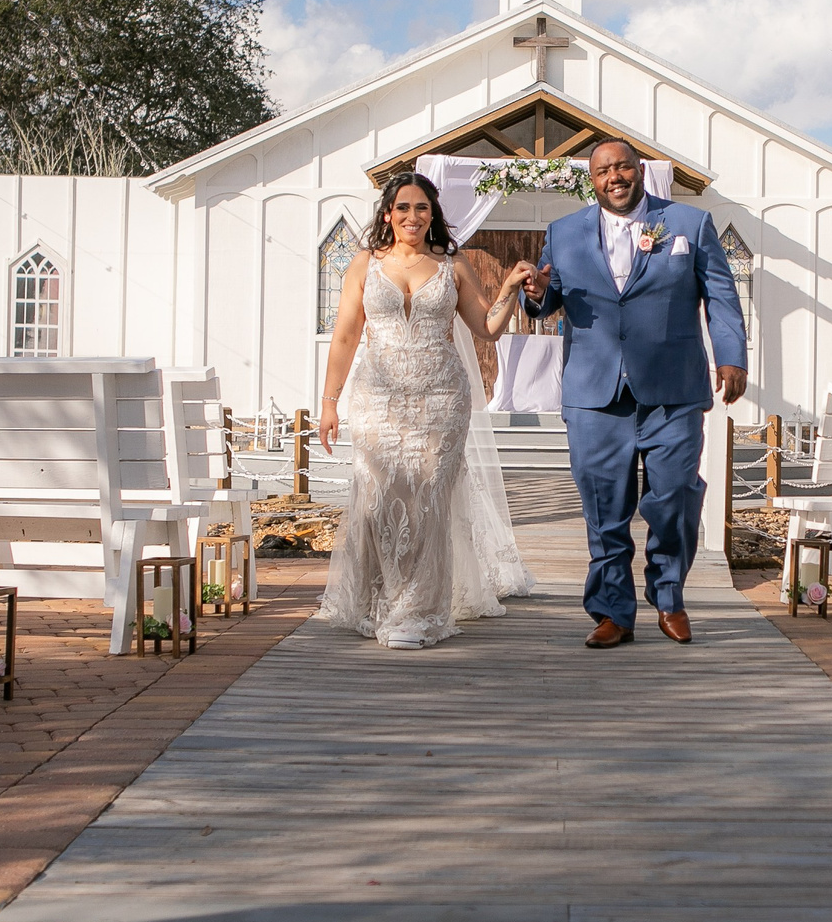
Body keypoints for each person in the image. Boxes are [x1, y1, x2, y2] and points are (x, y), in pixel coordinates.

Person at [521, 138, 748, 648]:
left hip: (673, 389)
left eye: (622, 166)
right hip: (595, 391)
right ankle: (612, 612)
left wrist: (731, 356)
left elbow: (722, 296)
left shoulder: (689, 225)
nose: (614, 177)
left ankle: (668, 596)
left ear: (639, 170)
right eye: (603, 171)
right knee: (604, 507)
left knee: (674, 498)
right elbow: (546, 298)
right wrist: (534, 292)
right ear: (592, 179)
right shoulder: (563, 233)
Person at [315, 174, 533, 649]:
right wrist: (328, 403)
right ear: (387, 214)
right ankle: (378, 601)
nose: (411, 217)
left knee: (428, 499)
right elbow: (346, 336)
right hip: (377, 398)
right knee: (376, 500)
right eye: (402, 207)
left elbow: (487, 328)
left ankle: (418, 611)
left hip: (441, 399)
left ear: (432, 214)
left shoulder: (452, 266)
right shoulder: (363, 266)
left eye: (421, 208)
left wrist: (511, 288)